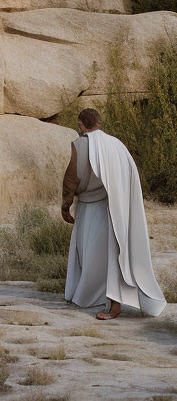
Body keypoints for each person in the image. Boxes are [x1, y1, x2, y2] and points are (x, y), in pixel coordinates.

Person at [61, 108, 167, 319]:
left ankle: (111, 305)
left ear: (82, 125)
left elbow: (71, 179)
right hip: (113, 208)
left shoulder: (80, 145)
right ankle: (99, 297)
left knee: (95, 254)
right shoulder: (117, 145)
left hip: (92, 209)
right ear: (98, 123)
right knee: (109, 254)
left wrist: (65, 205)